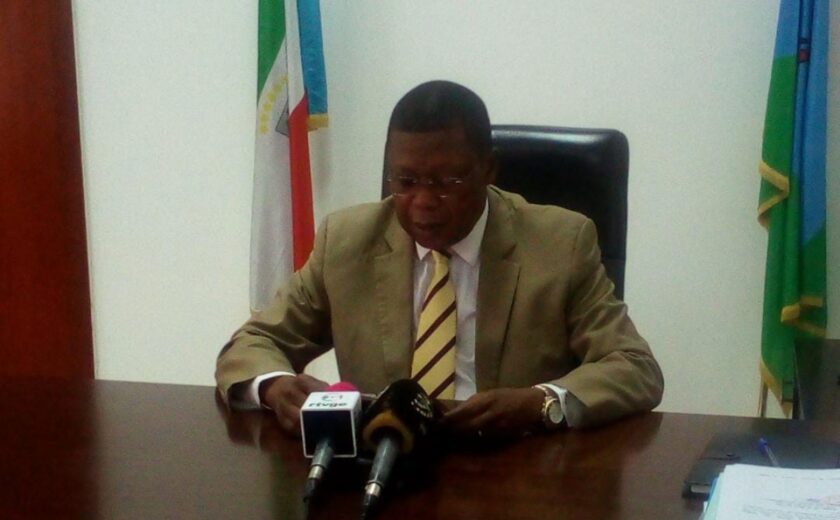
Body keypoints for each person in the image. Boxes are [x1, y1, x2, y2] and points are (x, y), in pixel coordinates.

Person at [216, 80, 663, 439]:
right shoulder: (347, 242)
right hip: (386, 462)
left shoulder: (561, 243)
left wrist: (542, 402)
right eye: (405, 181)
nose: (423, 202)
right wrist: (273, 386)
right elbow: (253, 342)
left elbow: (634, 368)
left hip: (516, 470)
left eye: (447, 181)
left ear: (488, 170)